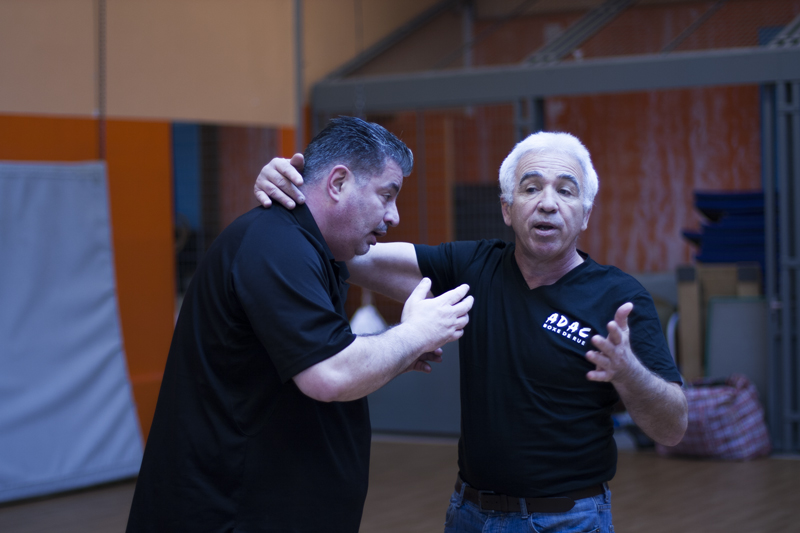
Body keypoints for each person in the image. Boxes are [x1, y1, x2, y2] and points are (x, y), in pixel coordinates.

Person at [254, 129, 688, 533]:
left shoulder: (618, 298)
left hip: (569, 520)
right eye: (531, 188)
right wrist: (294, 196)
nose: (548, 203)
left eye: (566, 190)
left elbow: (672, 427)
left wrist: (628, 370)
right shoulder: (475, 267)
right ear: (507, 208)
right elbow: (351, 252)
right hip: (470, 515)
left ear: (586, 213)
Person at [126, 116, 474, 533]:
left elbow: (323, 356)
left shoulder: (312, 250)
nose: (394, 215)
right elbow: (329, 374)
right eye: (387, 195)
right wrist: (414, 333)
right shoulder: (276, 244)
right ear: (338, 183)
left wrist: (399, 352)